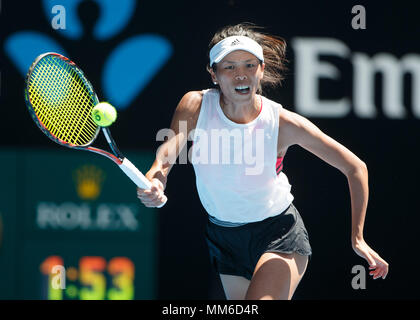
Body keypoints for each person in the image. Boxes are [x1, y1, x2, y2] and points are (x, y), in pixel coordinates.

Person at [136, 23, 389, 300]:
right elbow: (167, 156)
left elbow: (355, 167)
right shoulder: (195, 105)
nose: (240, 75)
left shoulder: (283, 123)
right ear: (213, 74)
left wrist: (358, 238)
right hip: (224, 237)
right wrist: (156, 179)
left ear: (262, 69)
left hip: (279, 234)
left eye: (248, 65)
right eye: (229, 67)